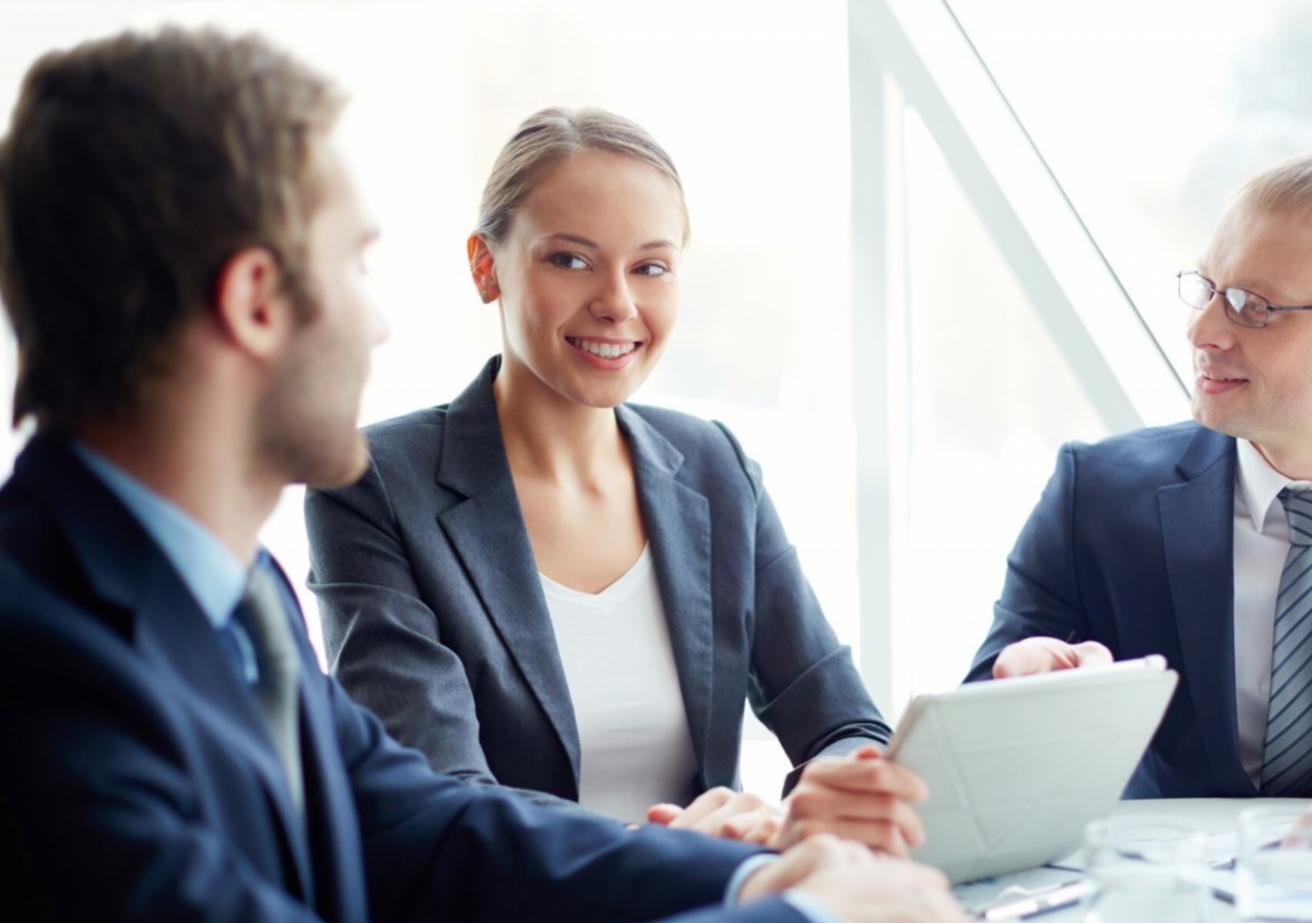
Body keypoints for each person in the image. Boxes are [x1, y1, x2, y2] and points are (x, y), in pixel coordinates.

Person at [0, 27, 996, 923]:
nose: (379, 324)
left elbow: (424, 825)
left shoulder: (234, 594)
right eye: (354, 264)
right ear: (257, 300)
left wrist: (749, 881)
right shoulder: (37, 658)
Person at [304, 107, 919, 853]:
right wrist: (670, 853)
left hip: (721, 900)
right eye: (570, 260)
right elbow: (441, 801)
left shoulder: (714, 467)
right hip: (520, 922)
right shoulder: (374, 483)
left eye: (650, 267)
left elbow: (844, 723)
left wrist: (829, 798)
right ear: (485, 266)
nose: (617, 304)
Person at [968, 150, 1312, 873]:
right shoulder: (1096, 496)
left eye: (1254, 305)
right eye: (1207, 289)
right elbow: (970, 754)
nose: (1202, 331)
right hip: (1166, 913)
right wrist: (1019, 697)